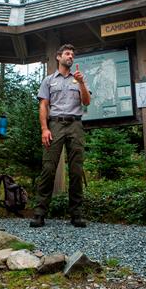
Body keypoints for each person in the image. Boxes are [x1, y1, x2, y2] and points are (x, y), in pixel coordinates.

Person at [31, 44, 91, 228]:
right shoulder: (48, 81)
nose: (70, 56)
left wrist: (81, 83)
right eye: (67, 54)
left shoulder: (79, 79)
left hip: (75, 125)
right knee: (48, 169)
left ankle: (76, 214)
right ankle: (40, 213)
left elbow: (87, 101)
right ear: (59, 57)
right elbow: (43, 106)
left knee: (76, 170)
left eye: (72, 54)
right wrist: (44, 129)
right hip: (55, 125)